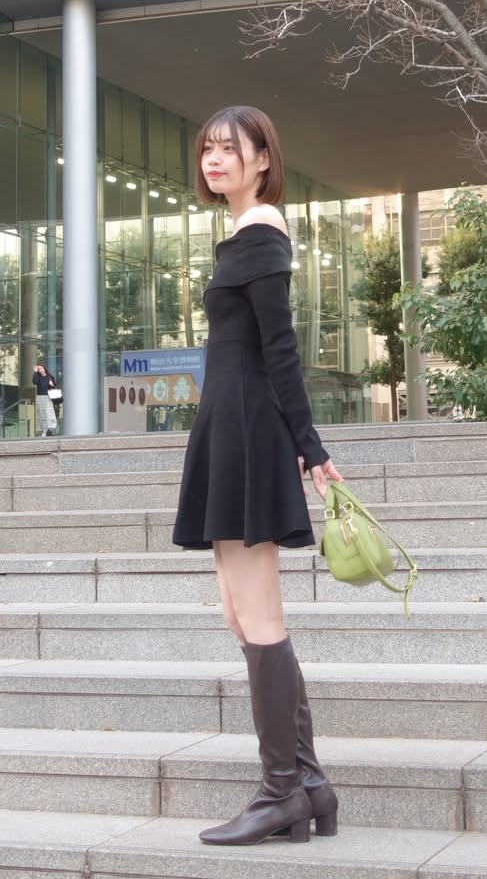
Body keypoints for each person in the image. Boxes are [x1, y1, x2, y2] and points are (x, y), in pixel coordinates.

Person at [172, 105, 344, 847]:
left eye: (228, 149)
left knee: (258, 616)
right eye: (206, 149)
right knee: (240, 616)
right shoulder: (244, 233)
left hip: (247, 431)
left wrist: (309, 446)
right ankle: (306, 783)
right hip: (231, 427)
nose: (213, 160)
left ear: (263, 160)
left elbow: (281, 349)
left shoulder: (262, 232)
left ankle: (282, 793)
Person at [31, 361, 59, 436]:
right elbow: (34, 381)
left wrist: (52, 384)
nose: (40, 370)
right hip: (39, 397)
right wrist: (35, 372)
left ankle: (51, 428)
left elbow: (54, 386)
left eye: (41, 368)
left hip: (48, 397)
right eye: (39, 369)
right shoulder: (38, 377)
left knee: (48, 413)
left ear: (44, 368)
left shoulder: (50, 377)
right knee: (41, 414)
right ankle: (44, 430)